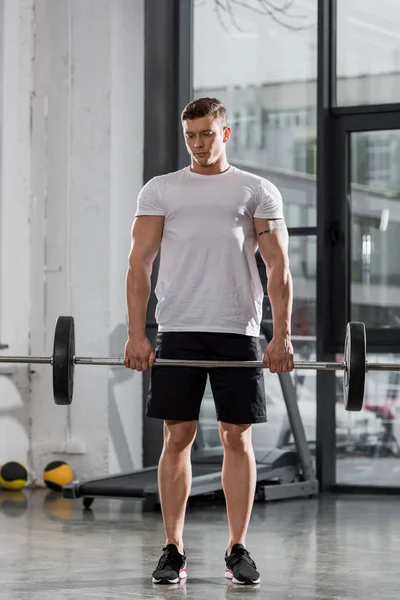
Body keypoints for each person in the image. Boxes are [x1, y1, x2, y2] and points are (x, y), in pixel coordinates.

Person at [124, 97, 294, 586]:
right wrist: (139, 333)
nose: (198, 144)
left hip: (238, 329)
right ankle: (173, 550)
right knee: (177, 436)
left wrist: (279, 335)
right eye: (190, 136)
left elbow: (279, 268)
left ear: (226, 133)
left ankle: (237, 548)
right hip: (178, 327)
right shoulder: (161, 191)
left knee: (236, 438)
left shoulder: (256, 191)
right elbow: (139, 266)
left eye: (206, 134)